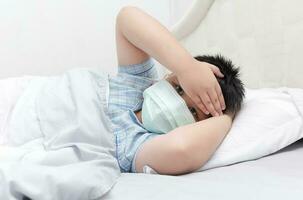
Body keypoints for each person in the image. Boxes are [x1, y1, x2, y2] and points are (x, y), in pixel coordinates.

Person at [0, 6, 244, 177]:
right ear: (168, 75)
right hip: (20, 99)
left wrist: (227, 116)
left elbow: (180, 149)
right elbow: (128, 19)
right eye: (178, 88)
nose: (175, 103)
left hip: (18, 138)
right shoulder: (138, 82)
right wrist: (187, 67)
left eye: (192, 111)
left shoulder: (138, 146)